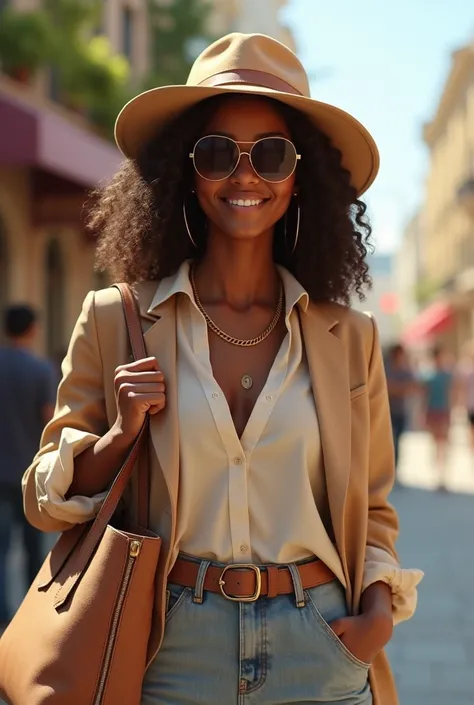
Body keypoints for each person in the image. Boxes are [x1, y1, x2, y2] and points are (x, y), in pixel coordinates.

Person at [22, 33, 422, 705]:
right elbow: (43, 497)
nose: (245, 175)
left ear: (300, 178)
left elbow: (374, 508)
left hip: (319, 637)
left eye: (270, 153)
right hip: (167, 644)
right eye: (216, 153)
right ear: (186, 171)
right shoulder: (112, 319)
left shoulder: (349, 339)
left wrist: (375, 615)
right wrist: (119, 434)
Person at [0, 305, 56, 631]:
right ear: (32, 329)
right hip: (30, 473)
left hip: (0, 473)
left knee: (2, 548)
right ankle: (32, 612)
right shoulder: (41, 369)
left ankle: (3, 613)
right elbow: (50, 418)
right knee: (35, 547)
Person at [421, 346, 454, 492]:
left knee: (444, 443)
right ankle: (437, 475)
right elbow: (424, 396)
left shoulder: (448, 375)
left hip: (444, 411)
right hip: (432, 412)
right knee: (435, 444)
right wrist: (422, 414)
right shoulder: (428, 375)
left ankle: (443, 475)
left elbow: (451, 393)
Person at [384, 344, 415, 475]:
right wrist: (399, 389)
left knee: (398, 442)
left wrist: (397, 389)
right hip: (387, 412)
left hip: (400, 411)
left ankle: (394, 470)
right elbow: (387, 388)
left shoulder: (405, 370)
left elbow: (412, 387)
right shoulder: (387, 369)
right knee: (389, 441)